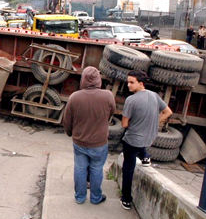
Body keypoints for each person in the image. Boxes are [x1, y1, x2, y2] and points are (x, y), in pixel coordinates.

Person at [120, 70, 173, 210]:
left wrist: (134, 122)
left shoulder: (131, 100)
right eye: (128, 82)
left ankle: (126, 199)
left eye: (131, 82)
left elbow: (124, 124)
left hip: (133, 141)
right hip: (149, 138)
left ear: (141, 83)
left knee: (128, 169)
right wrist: (155, 122)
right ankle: (145, 157)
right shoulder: (154, 95)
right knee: (140, 141)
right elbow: (168, 112)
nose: (128, 85)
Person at [63, 66, 116, 205]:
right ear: (98, 79)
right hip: (99, 142)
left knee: (80, 168)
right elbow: (111, 113)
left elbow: (67, 120)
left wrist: (70, 133)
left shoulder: (74, 97)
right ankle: (95, 197)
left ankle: (80, 197)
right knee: (97, 169)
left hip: (79, 141)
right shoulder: (108, 95)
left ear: (83, 79)